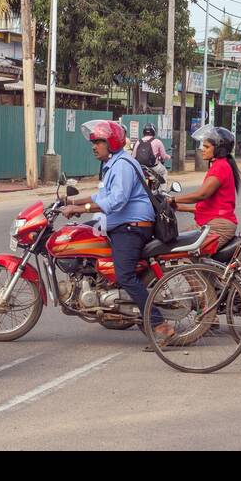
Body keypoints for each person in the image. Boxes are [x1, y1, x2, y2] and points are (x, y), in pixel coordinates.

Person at [61, 120, 175, 340]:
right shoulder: (113, 163)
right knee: (82, 234)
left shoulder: (122, 165)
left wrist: (81, 208)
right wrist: (72, 201)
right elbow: (101, 197)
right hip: (120, 223)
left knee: (125, 275)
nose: (94, 147)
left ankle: (159, 324)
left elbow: (117, 201)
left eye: (99, 142)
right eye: (93, 142)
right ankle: (103, 295)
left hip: (132, 227)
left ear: (111, 142)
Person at [170, 126, 240, 245]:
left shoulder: (220, 167)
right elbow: (210, 207)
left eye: (207, 147)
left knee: (182, 252)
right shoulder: (221, 165)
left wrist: (171, 199)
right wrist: (179, 207)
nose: (203, 149)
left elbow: (202, 195)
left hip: (218, 227)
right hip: (214, 221)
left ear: (218, 149)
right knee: (178, 243)